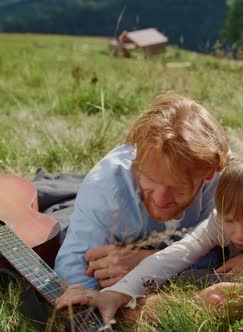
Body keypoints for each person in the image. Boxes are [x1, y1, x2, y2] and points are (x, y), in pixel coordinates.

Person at [55, 155, 243, 327]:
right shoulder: (219, 219)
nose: (240, 234)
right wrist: (117, 293)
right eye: (231, 222)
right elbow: (177, 254)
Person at [54, 92, 229, 290]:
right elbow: (74, 269)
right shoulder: (105, 187)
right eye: (150, 179)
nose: (161, 199)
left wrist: (147, 263)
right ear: (136, 162)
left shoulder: (222, 183)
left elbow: (223, 255)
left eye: (177, 187)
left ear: (207, 174)